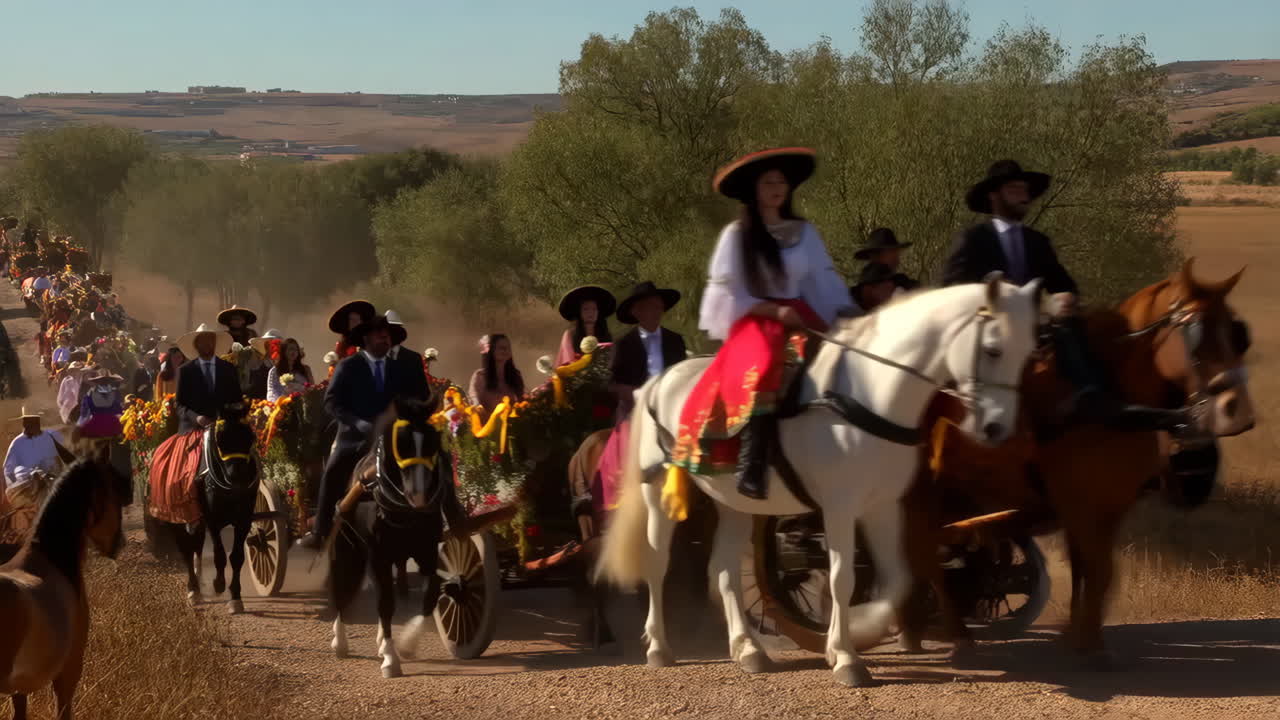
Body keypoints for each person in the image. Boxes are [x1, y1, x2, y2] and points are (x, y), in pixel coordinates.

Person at [941, 159, 1187, 432]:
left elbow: (1062, 283)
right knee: (1066, 332)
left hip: (1038, 326)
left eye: (1025, 190)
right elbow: (952, 288)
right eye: (1014, 189)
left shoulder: (1037, 242)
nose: (1024, 196)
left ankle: (1108, 398)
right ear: (993, 195)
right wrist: (992, 298)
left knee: (1093, 327)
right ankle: (1093, 396)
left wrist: (1065, 297)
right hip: (992, 328)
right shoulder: (973, 239)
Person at [670, 148, 853, 499]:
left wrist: (845, 312)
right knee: (767, 362)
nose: (776, 187)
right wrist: (774, 312)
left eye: (781, 181)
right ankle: (752, 462)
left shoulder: (804, 231)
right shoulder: (738, 235)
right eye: (769, 181)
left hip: (801, 313)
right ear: (754, 190)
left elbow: (822, 280)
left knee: (843, 357)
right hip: (756, 318)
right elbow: (730, 291)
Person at [583, 281, 687, 530]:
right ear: (636, 312)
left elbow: (683, 375)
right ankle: (621, 502)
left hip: (672, 412)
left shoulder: (676, 341)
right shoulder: (624, 344)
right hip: (636, 411)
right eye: (649, 307)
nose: (655, 311)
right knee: (626, 446)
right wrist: (636, 394)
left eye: (658, 306)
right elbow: (611, 384)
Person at [298, 316, 399, 549]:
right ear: (366, 338)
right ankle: (320, 530)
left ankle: (444, 517)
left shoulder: (398, 368)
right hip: (354, 438)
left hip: (394, 437)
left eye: (387, 334)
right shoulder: (348, 366)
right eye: (378, 334)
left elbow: (410, 400)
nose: (384, 337)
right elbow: (331, 403)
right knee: (333, 470)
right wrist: (357, 423)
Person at [1, 408, 63, 543]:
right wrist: (20, 486)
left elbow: (59, 460)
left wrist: (56, 475)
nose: (27, 425)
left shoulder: (51, 437)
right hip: (26, 486)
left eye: (31, 422)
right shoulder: (17, 443)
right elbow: (8, 470)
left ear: (38, 422)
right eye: (25, 422)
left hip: (51, 480)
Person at [174, 323, 240, 435]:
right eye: (203, 340)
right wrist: (196, 418)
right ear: (196, 344)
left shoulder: (228, 369)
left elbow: (236, 400)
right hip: (192, 429)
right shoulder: (185, 371)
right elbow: (179, 405)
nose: (207, 343)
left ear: (215, 343)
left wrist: (225, 417)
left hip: (223, 428)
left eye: (210, 340)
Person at [468, 334, 525, 419]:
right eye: (501, 347)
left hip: (512, 425)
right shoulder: (480, 376)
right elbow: (475, 401)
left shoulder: (516, 375)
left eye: (507, 347)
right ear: (491, 350)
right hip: (486, 426)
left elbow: (522, 400)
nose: (505, 350)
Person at [555, 286, 615, 367]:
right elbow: (567, 362)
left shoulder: (606, 334)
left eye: (594, 309)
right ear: (580, 312)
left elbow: (611, 360)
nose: (591, 313)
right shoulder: (570, 334)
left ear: (598, 312)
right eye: (586, 309)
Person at [855, 227, 919, 291]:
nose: (896, 259)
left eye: (896, 252)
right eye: (890, 252)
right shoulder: (859, 292)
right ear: (874, 257)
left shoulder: (905, 284)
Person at [384, 310, 429, 401]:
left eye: (394, 330)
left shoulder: (413, 359)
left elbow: (423, 393)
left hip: (407, 412)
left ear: (400, 333)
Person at [327, 300, 377, 375]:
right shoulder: (342, 346)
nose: (357, 323)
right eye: (353, 320)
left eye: (358, 320)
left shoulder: (370, 341)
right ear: (347, 324)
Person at [77, 370, 125, 439]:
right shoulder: (115, 392)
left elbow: (84, 413)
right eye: (103, 381)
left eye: (106, 381)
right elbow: (119, 410)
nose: (104, 383)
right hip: (110, 424)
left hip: (98, 423)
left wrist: (79, 426)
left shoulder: (91, 393)